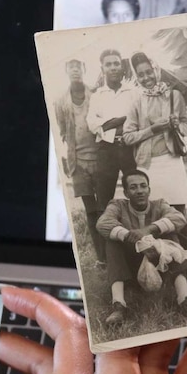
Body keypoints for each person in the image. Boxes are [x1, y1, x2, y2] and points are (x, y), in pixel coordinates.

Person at [96, 169, 187, 325]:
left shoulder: (159, 204)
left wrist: (149, 230)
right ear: (126, 193)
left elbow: (179, 218)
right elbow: (102, 223)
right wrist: (133, 239)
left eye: (143, 186)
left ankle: (186, 301)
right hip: (130, 268)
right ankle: (118, 306)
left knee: (170, 236)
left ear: (149, 189)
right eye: (133, 187)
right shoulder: (118, 205)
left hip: (159, 264)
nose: (140, 191)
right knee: (112, 242)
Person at [122, 52, 187, 213]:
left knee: (177, 212)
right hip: (148, 165)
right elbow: (127, 137)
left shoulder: (175, 96)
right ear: (137, 77)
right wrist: (152, 130)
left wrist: (178, 126)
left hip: (172, 160)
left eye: (149, 72)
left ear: (156, 70)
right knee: (153, 212)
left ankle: (181, 239)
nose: (146, 78)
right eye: (140, 75)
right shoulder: (136, 102)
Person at [54, 59, 107, 263]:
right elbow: (62, 130)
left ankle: (111, 255)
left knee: (104, 209)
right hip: (78, 164)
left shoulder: (95, 93)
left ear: (84, 70)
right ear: (66, 72)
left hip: (100, 160)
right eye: (71, 67)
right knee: (91, 211)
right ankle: (101, 258)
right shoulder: (60, 101)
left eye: (78, 67)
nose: (75, 70)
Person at [86, 49, 136, 207]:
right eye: (108, 64)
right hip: (106, 149)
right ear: (102, 69)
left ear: (122, 67)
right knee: (104, 197)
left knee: (136, 192)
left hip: (130, 148)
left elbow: (137, 119)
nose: (113, 67)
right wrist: (119, 120)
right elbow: (92, 123)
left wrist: (107, 123)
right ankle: (106, 230)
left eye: (116, 63)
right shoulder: (97, 96)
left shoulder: (133, 92)